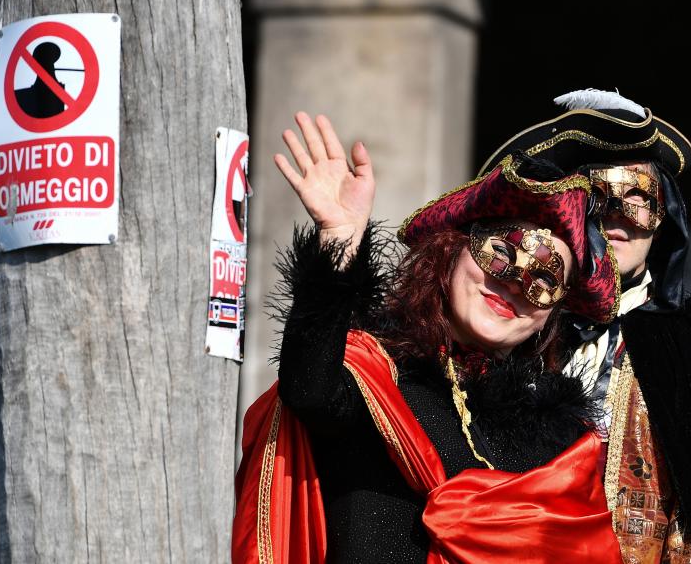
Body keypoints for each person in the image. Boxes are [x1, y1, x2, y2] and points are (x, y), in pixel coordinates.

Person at [232, 112, 626, 563]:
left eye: (543, 281)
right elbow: (309, 388)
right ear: (453, 252)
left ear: (548, 316)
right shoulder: (376, 380)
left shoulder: (561, 450)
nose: (514, 284)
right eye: (501, 253)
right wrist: (338, 241)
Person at [478, 89, 691, 563]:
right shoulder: (507, 323)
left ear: (664, 214)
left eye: (636, 196)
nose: (615, 217)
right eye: (594, 194)